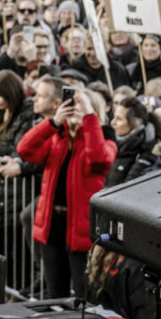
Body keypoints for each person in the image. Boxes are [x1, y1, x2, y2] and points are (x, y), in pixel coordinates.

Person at [18, 81, 117, 295]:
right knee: (55, 292)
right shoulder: (57, 138)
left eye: (80, 105)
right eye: (72, 105)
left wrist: (89, 118)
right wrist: (53, 122)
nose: (75, 110)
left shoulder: (105, 138)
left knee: (84, 294)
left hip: (81, 228)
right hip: (53, 224)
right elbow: (24, 149)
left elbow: (99, 161)